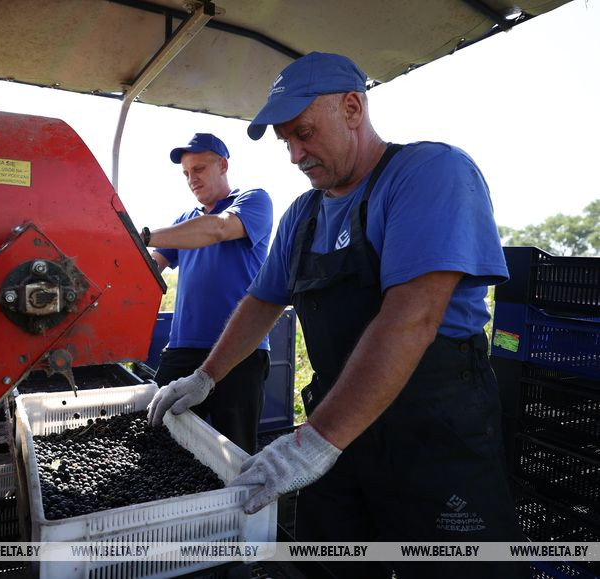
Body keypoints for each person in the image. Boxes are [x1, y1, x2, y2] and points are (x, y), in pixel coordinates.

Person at [148, 53, 525, 578]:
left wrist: (314, 442)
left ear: (352, 108)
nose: (295, 155)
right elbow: (261, 302)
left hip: (432, 431)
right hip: (338, 423)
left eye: (304, 133)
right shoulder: (302, 215)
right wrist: (205, 378)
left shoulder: (429, 173)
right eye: (285, 141)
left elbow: (411, 318)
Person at [140, 132, 273, 454]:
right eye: (186, 173)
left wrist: (141, 235)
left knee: (234, 449)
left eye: (198, 169)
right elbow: (148, 269)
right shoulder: (184, 223)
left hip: (239, 352)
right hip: (182, 349)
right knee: (160, 443)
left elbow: (218, 228)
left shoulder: (253, 200)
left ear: (223, 165)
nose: (192, 179)